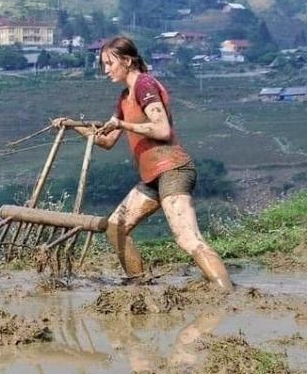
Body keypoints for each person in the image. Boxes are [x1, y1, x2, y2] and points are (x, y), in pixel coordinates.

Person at [52, 36, 233, 291]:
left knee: (187, 238)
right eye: (103, 64)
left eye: (109, 63)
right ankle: (140, 288)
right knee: (115, 227)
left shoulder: (144, 85)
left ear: (127, 61)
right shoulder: (125, 96)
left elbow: (162, 130)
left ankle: (227, 294)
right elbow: (106, 140)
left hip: (173, 169)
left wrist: (123, 124)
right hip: (151, 177)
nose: (105, 70)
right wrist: (73, 125)